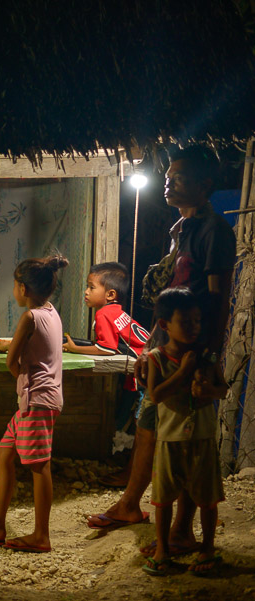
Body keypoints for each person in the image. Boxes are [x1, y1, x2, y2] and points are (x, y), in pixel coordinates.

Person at [86, 146, 235, 549]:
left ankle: (183, 531)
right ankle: (130, 504)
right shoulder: (180, 229)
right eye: (168, 175)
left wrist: (207, 358)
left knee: (181, 439)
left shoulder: (214, 232)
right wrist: (149, 349)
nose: (168, 181)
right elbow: (167, 300)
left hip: (191, 352)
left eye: (179, 177)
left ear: (205, 186)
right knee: (149, 423)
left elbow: (218, 300)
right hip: (164, 350)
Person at [0, 254, 69, 553]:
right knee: (4, 453)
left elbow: (11, 362)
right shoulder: (51, 312)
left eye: (16, 285)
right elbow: (37, 345)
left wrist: (22, 376)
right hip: (41, 399)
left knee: (38, 466)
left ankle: (41, 535)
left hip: (36, 400)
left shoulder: (29, 317)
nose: (14, 290)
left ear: (24, 289)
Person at [142, 287, 227, 576]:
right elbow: (155, 395)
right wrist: (182, 373)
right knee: (164, 498)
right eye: (186, 322)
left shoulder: (206, 357)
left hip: (202, 438)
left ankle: (207, 548)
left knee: (207, 497)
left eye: (197, 321)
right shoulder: (156, 358)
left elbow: (223, 388)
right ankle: (163, 550)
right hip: (169, 439)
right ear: (165, 325)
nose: (194, 327)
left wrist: (209, 390)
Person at [63, 262, 149, 489]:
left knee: (144, 424)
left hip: (149, 372)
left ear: (110, 294)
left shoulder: (103, 314)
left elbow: (107, 349)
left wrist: (75, 349)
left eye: (91, 287)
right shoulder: (117, 312)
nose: (86, 291)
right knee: (140, 421)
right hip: (150, 364)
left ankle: (134, 474)